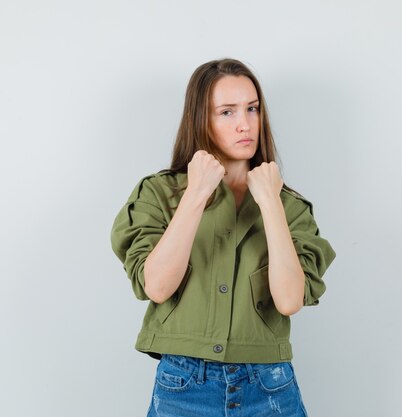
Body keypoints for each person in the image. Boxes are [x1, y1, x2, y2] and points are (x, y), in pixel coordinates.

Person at [110, 58, 336, 417]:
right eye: (227, 112)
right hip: (184, 387)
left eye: (252, 109)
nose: (245, 124)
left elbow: (290, 299)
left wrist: (270, 203)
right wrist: (196, 193)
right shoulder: (159, 194)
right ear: (201, 119)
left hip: (269, 387)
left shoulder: (288, 207)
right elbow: (156, 286)